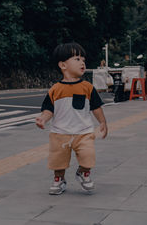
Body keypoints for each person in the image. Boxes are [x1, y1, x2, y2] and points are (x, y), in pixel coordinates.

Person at [36, 42, 108, 195]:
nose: (82, 62)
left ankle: (83, 172)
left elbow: (96, 107)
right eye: (77, 59)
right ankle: (59, 180)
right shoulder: (55, 89)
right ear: (63, 65)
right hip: (60, 133)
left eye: (83, 59)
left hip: (84, 132)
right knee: (58, 161)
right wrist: (43, 119)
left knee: (88, 156)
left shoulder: (87, 87)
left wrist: (102, 122)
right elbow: (49, 109)